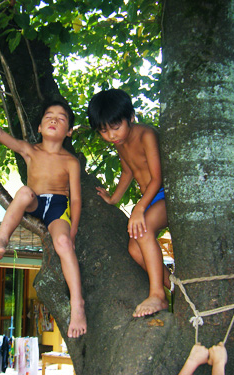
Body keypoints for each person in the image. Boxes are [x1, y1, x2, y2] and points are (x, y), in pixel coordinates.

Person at [0, 98, 86, 338]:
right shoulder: (30, 150)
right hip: (35, 200)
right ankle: (2, 240)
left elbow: (75, 200)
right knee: (24, 192)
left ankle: (77, 304)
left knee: (64, 244)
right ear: (39, 127)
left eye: (61, 117)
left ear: (68, 131)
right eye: (49, 115)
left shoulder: (71, 161)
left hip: (58, 208)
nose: (54, 119)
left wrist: (73, 230)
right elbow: (0, 134)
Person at [88, 88, 172, 317]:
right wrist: (113, 199)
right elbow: (128, 171)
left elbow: (157, 178)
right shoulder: (120, 142)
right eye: (104, 131)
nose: (112, 136)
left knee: (142, 229)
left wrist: (139, 208)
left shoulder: (147, 135)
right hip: (150, 198)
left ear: (131, 117)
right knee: (134, 249)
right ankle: (176, 287)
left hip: (165, 195)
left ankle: (158, 295)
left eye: (116, 127)